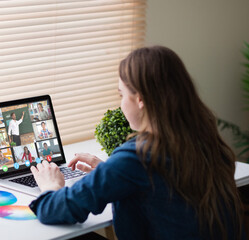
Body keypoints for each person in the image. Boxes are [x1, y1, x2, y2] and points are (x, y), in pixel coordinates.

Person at [29, 46, 245, 240]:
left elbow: (55, 209)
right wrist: (109, 171)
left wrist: (51, 186)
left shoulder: (137, 156)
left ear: (140, 99)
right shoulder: (206, 141)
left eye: (122, 94)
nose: (121, 103)